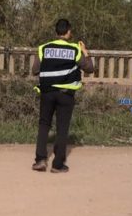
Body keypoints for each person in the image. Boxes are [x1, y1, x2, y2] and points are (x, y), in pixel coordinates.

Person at [31, 19, 94, 173]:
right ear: (68, 32)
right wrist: (86, 53)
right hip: (66, 95)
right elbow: (90, 69)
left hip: (47, 92)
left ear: (55, 32)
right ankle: (57, 165)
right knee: (62, 128)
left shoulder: (44, 48)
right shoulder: (74, 50)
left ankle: (40, 160)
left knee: (44, 124)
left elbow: (35, 70)